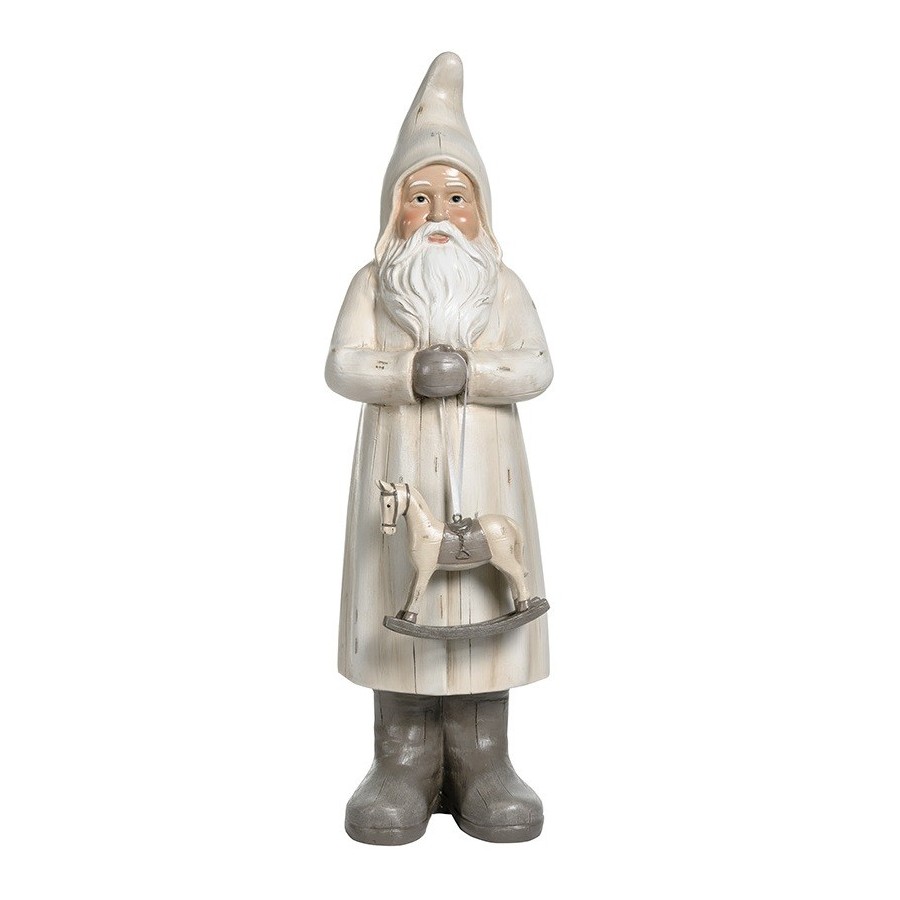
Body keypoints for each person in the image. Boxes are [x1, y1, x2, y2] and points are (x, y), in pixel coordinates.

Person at [325, 52, 553, 844]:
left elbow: (537, 367)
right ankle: (403, 759)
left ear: (480, 208)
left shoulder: (503, 288)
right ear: (394, 207)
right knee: (397, 592)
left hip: (490, 475)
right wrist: (408, 372)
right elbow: (343, 365)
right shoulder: (372, 286)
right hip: (397, 471)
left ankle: (484, 756)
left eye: (456, 198)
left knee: (489, 597)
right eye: (419, 197)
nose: (438, 215)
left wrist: (476, 371)